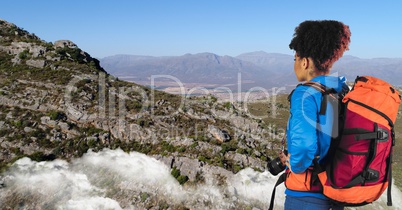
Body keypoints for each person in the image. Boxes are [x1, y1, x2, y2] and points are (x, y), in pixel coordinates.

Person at [282, 20, 351, 210]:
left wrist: (294, 164)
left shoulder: (305, 94)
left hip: (306, 196)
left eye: (295, 59)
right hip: (335, 192)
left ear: (304, 62)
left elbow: (304, 146)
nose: (295, 64)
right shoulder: (340, 89)